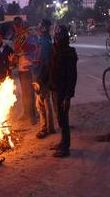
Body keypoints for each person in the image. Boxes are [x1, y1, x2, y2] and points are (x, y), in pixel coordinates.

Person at [49, 25, 78, 158]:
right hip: (55, 90)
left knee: (63, 120)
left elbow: (72, 78)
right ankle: (62, 142)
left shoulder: (69, 54)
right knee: (60, 119)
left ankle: (66, 147)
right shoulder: (56, 51)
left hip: (63, 92)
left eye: (57, 37)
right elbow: (50, 69)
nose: (55, 40)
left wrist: (68, 96)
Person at [13, 17, 37, 125]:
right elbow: (17, 49)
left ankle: (32, 115)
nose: (16, 28)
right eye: (16, 26)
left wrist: (20, 43)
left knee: (29, 93)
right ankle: (27, 112)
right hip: (22, 67)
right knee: (25, 93)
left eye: (18, 26)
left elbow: (21, 47)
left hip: (28, 67)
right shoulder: (21, 36)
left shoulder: (27, 36)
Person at [34, 19, 54, 139]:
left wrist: (39, 79)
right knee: (46, 102)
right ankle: (50, 127)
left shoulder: (44, 43)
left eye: (40, 26)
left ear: (44, 28)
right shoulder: (46, 40)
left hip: (43, 77)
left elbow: (44, 63)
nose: (38, 28)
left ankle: (44, 128)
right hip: (45, 75)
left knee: (41, 103)